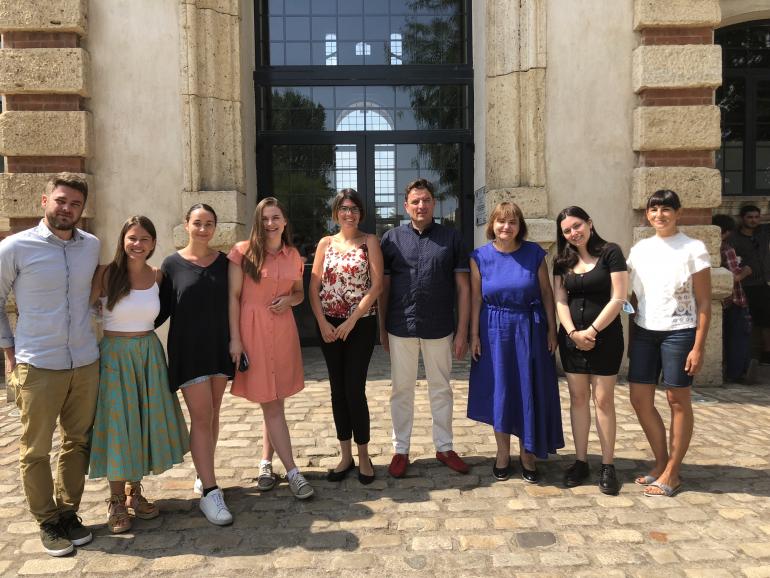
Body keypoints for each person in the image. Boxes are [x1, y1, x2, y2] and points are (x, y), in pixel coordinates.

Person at [0, 174, 99, 556]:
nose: (67, 209)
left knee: (77, 442)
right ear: (45, 201)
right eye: (61, 201)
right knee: (35, 450)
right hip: (38, 364)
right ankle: (47, 520)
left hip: (85, 362)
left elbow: (93, 296)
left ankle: (68, 513)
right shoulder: (15, 247)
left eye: (75, 204)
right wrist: (10, 352)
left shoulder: (91, 246)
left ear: (82, 209)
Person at [88, 216, 189, 533]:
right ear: (123, 240)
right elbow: (84, 311)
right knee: (119, 426)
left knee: (143, 422)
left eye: (145, 239)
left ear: (153, 243)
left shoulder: (158, 276)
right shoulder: (106, 273)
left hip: (148, 354)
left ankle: (134, 492)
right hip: (115, 357)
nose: (138, 244)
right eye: (132, 238)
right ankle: (116, 500)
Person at [378, 178, 471, 478]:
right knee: (401, 390)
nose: (421, 206)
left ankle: (444, 447)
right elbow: (383, 288)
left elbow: (463, 288)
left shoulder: (451, 238)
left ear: (434, 204)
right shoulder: (391, 239)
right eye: (415, 201)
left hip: (439, 325)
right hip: (400, 324)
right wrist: (381, 328)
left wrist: (462, 331)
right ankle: (400, 450)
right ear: (406, 206)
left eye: (426, 200)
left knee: (441, 389)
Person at [468, 202, 564, 482]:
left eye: (512, 222)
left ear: (520, 226)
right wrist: (474, 335)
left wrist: (552, 330)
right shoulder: (479, 257)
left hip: (529, 329)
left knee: (527, 389)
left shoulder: (534, 253)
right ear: (492, 225)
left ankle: (527, 453)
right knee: (501, 390)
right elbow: (476, 298)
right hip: (493, 330)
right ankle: (502, 453)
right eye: (501, 221)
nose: (506, 227)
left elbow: (546, 293)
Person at [228, 197, 313, 499]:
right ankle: (293, 471)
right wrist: (236, 339)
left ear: (284, 221)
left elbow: (299, 294)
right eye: (264, 218)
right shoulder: (242, 252)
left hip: (283, 333)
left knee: (275, 400)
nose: (270, 224)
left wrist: (289, 300)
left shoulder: (293, 256)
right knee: (272, 405)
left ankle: (266, 462)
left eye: (275, 217)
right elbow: (233, 297)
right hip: (253, 333)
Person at [627, 190, 711, 497]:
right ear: (647, 214)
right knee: (639, 399)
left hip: (680, 332)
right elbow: (632, 297)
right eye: (654, 209)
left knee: (677, 400)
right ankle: (661, 462)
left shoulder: (693, 248)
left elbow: (704, 303)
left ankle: (673, 473)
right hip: (644, 331)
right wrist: (630, 336)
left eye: (666, 209)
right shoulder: (640, 249)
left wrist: (698, 347)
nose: (659, 215)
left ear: (678, 212)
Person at [156, 204, 235, 525]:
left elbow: (237, 303)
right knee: (202, 417)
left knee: (212, 414)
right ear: (186, 225)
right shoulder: (171, 265)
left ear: (215, 227)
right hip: (188, 352)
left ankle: (205, 474)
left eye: (209, 224)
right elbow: (159, 310)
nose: (203, 229)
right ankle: (210, 493)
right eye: (198, 223)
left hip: (219, 349)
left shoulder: (226, 263)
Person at [309, 190, 383, 484]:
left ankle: (363, 456)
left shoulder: (369, 241)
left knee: (354, 389)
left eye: (354, 208)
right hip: (329, 326)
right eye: (343, 208)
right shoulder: (325, 243)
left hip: (360, 325)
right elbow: (313, 288)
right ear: (336, 213)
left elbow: (376, 286)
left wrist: (352, 320)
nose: (349, 213)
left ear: (360, 213)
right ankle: (345, 456)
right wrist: (322, 323)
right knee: (337, 391)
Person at [553, 206, 626, 494]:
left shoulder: (611, 252)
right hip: (572, 340)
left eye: (577, 226)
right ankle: (581, 461)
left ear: (590, 223)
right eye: (567, 230)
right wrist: (573, 333)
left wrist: (592, 331)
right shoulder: (561, 261)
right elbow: (560, 300)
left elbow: (619, 297)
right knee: (578, 398)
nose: (574, 233)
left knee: (604, 400)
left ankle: (608, 465)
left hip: (606, 338)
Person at [713, 214, 754, 383]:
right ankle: (736, 374)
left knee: (725, 338)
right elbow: (734, 277)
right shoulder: (727, 249)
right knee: (738, 338)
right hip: (735, 299)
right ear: (727, 232)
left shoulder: (706, 247)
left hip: (720, 301)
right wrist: (747, 270)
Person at [728, 205, 770, 365]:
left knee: (765, 321)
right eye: (750, 217)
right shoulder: (734, 238)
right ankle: (745, 358)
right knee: (744, 322)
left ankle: (766, 354)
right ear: (742, 218)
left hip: (763, 284)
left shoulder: (763, 232)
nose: (754, 220)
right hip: (744, 285)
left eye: (756, 217)